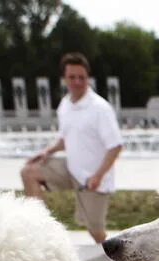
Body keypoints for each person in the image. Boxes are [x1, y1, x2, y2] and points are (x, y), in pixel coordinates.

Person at [20, 52, 123, 244]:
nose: (77, 81)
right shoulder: (65, 105)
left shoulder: (100, 108)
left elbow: (115, 147)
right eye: (72, 77)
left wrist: (97, 176)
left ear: (88, 78)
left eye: (81, 77)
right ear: (64, 79)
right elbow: (64, 139)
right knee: (29, 172)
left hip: (94, 179)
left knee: (97, 234)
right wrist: (46, 152)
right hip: (70, 169)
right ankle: (42, 232)